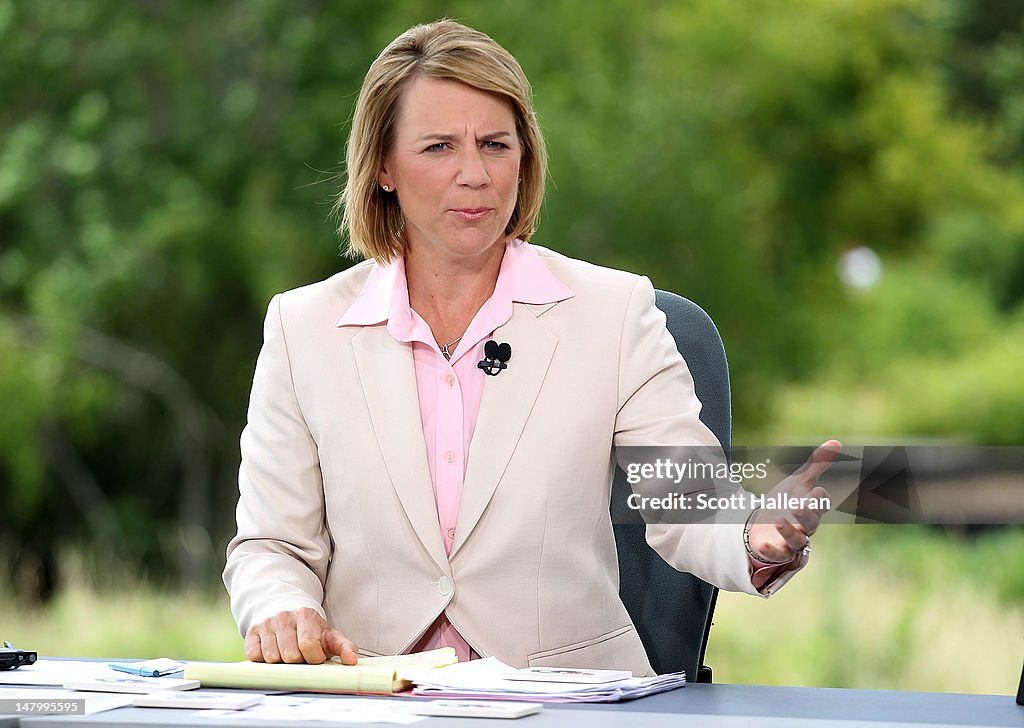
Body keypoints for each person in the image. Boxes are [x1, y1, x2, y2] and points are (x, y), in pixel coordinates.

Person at [223, 19, 840, 675]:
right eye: (437, 147)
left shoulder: (612, 313)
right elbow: (271, 545)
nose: (474, 174)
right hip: (372, 698)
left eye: (495, 144)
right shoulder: (303, 327)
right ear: (382, 167)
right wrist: (281, 608)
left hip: (566, 701)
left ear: (525, 158)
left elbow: (690, 505)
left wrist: (756, 536)